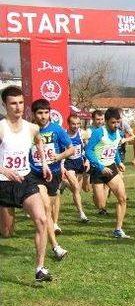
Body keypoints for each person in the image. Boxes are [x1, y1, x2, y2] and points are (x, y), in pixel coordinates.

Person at [0, 86, 53, 281]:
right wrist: (4, 170)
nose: (18, 107)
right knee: (6, 232)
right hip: (3, 184)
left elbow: (38, 141)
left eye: (21, 102)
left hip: (25, 180)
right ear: (5, 105)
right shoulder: (1, 127)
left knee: (41, 219)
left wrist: (45, 164)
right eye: (13, 103)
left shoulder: (32, 127)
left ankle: (40, 268)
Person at [27, 99, 74, 257]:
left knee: (49, 209)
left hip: (53, 174)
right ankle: (56, 247)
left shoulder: (57, 130)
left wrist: (58, 157)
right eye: (40, 113)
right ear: (33, 114)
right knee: (46, 207)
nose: (43, 116)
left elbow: (71, 149)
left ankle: (48, 233)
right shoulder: (29, 130)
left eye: (46, 113)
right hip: (35, 174)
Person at [85, 107, 130, 237]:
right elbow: (88, 151)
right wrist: (99, 166)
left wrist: (119, 162)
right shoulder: (99, 133)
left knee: (122, 198)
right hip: (98, 169)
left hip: (111, 167)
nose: (116, 125)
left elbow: (114, 148)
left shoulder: (118, 133)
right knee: (101, 205)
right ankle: (96, 194)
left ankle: (118, 229)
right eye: (113, 122)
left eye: (118, 122)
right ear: (106, 121)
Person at [62, 114, 90, 223]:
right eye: (73, 124)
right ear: (68, 124)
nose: (76, 126)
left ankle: (64, 184)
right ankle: (82, 214)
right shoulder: (63, 134)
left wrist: (87, 160)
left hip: (79, 162)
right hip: (68, 163)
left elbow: (87, 147)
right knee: (76, 188)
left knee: (81, 189)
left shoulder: (82, 133)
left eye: (78, 123)